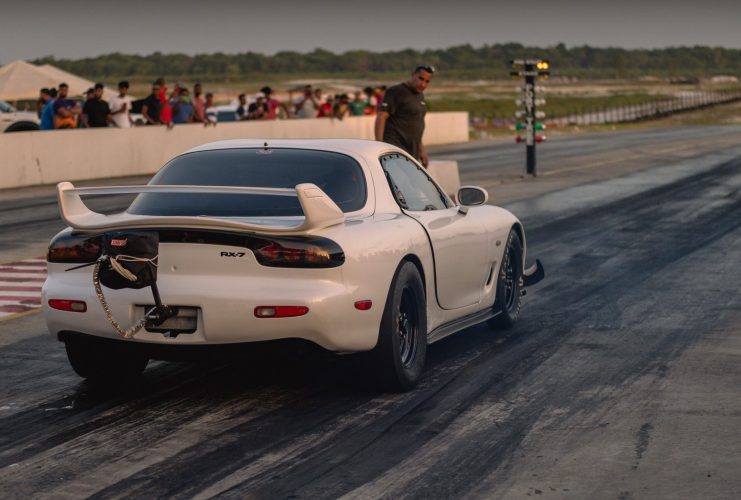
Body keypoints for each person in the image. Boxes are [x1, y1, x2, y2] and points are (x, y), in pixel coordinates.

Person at [375, 65, 434, 167]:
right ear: (413, 74)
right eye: (420, 78)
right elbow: (381, 117)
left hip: (412, 152)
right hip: (395, 150)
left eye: (427, 81)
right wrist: (380, 146)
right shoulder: (396, 91)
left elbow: (415, 125)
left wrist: (422, 150)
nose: (423, 84)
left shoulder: (420, 95)